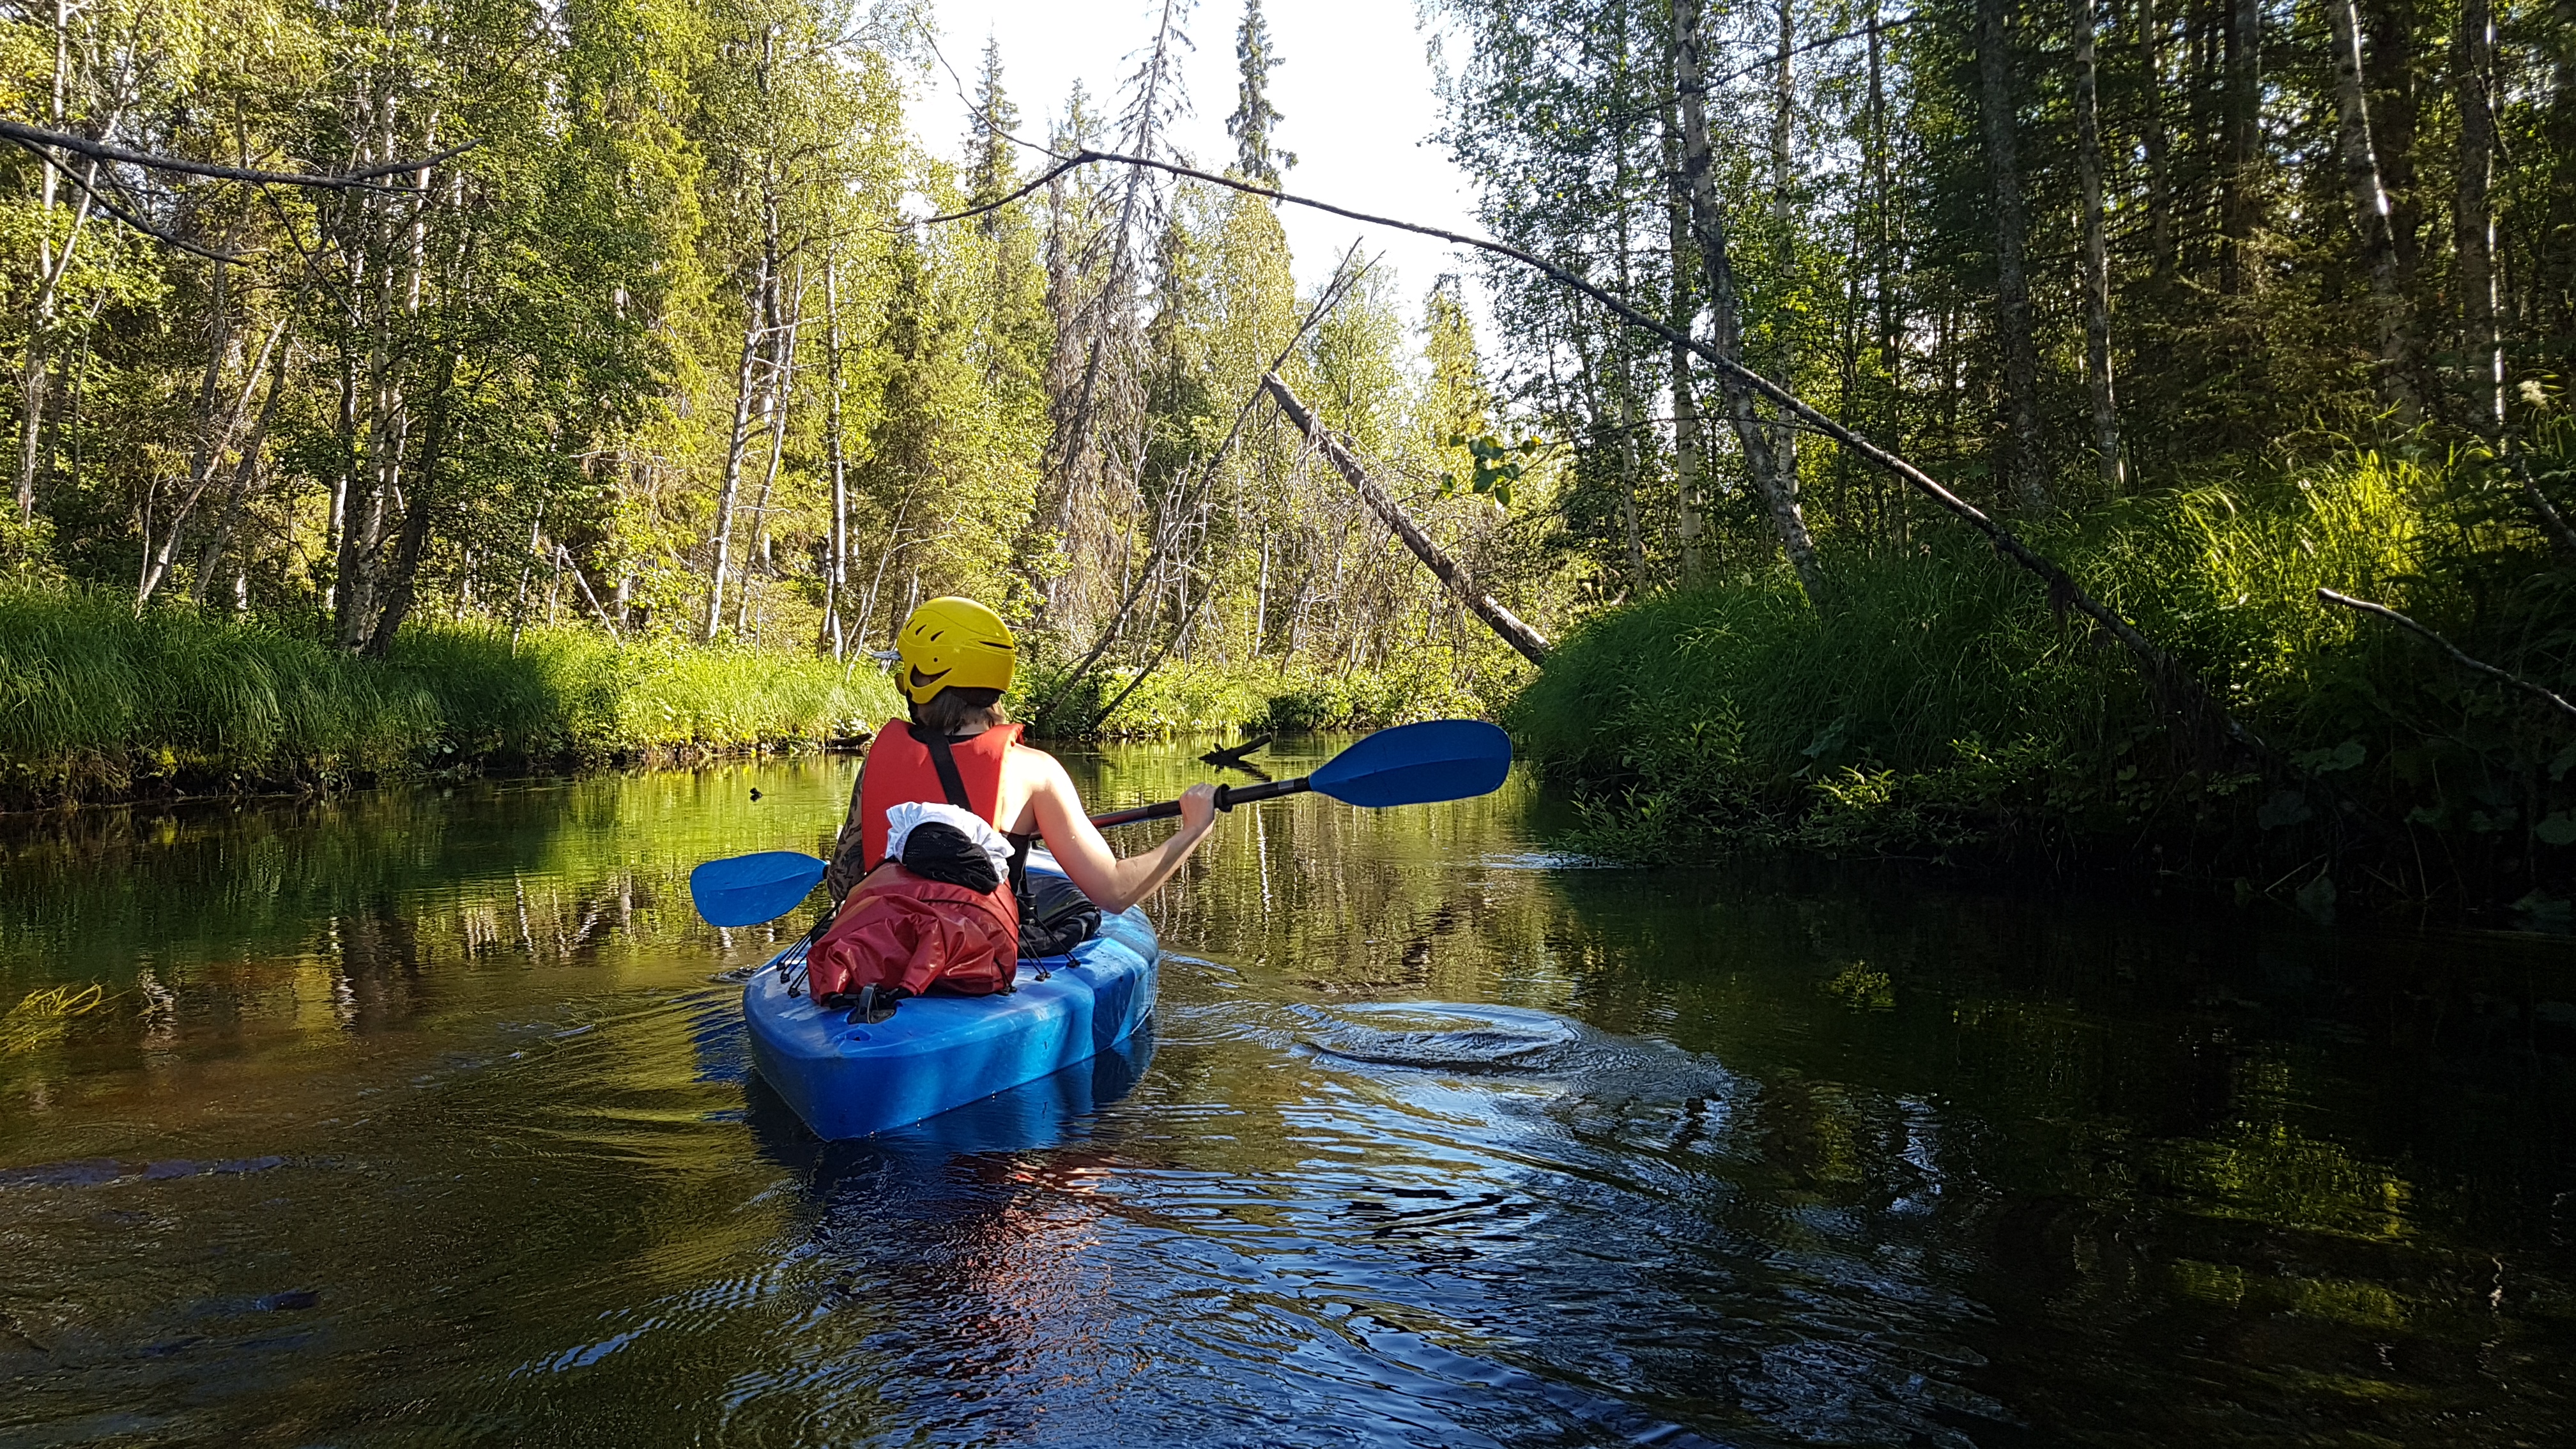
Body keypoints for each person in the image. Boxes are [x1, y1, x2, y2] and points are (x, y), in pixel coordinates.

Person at [811, 597, 1218, 1005]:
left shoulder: (878, 760)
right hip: (976, 957)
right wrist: (1193, 829)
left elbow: (845, 884)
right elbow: (1114, 892)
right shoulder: (1035, 772)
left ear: (922, 677)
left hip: (883, 955)